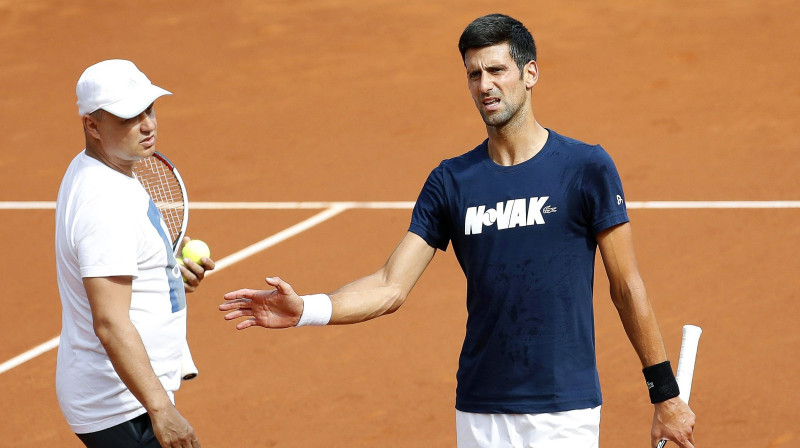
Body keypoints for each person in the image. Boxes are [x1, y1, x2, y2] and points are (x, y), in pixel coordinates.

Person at [218, 14, 695, 448]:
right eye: (473, 74)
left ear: (530, 74)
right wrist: (307, 309)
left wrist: (665, 395)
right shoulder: (451, 181)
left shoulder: (585, 166)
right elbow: (390, 285)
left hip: (562, 408)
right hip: (480, 407)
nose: (485, 85)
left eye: (497, 70)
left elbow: (626, 287)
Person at [55, 59, 215, 448]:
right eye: (130, 116)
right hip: (121, 407)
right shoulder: (104, 203)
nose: (148, 124)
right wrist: (161, 410)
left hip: (128, 396)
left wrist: (168, 274)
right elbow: (109, 322)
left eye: (149, 109)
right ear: (92, 125)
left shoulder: (110, 170)